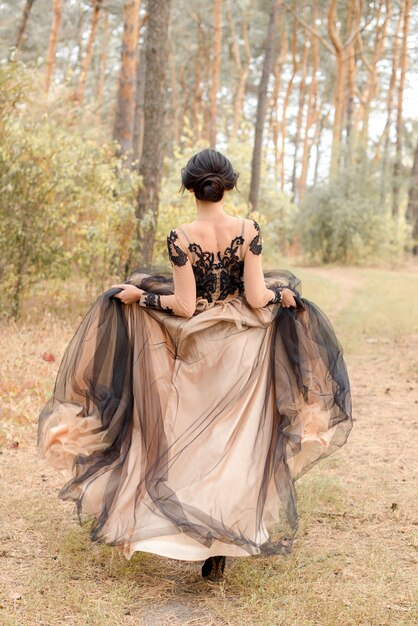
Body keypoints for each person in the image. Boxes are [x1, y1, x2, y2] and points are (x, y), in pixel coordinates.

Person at [37, 149, 353, 584]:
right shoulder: (249, 230)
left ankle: (184, 529)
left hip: (199, 347)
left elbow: (184, 306)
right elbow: (258, 297)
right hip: (244, 346)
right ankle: (225, 536)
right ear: (229, 185)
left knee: (190, 437)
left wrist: (140, 298)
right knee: (237, 442)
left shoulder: (181, 236)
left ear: (190, 187)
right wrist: (281, 295)